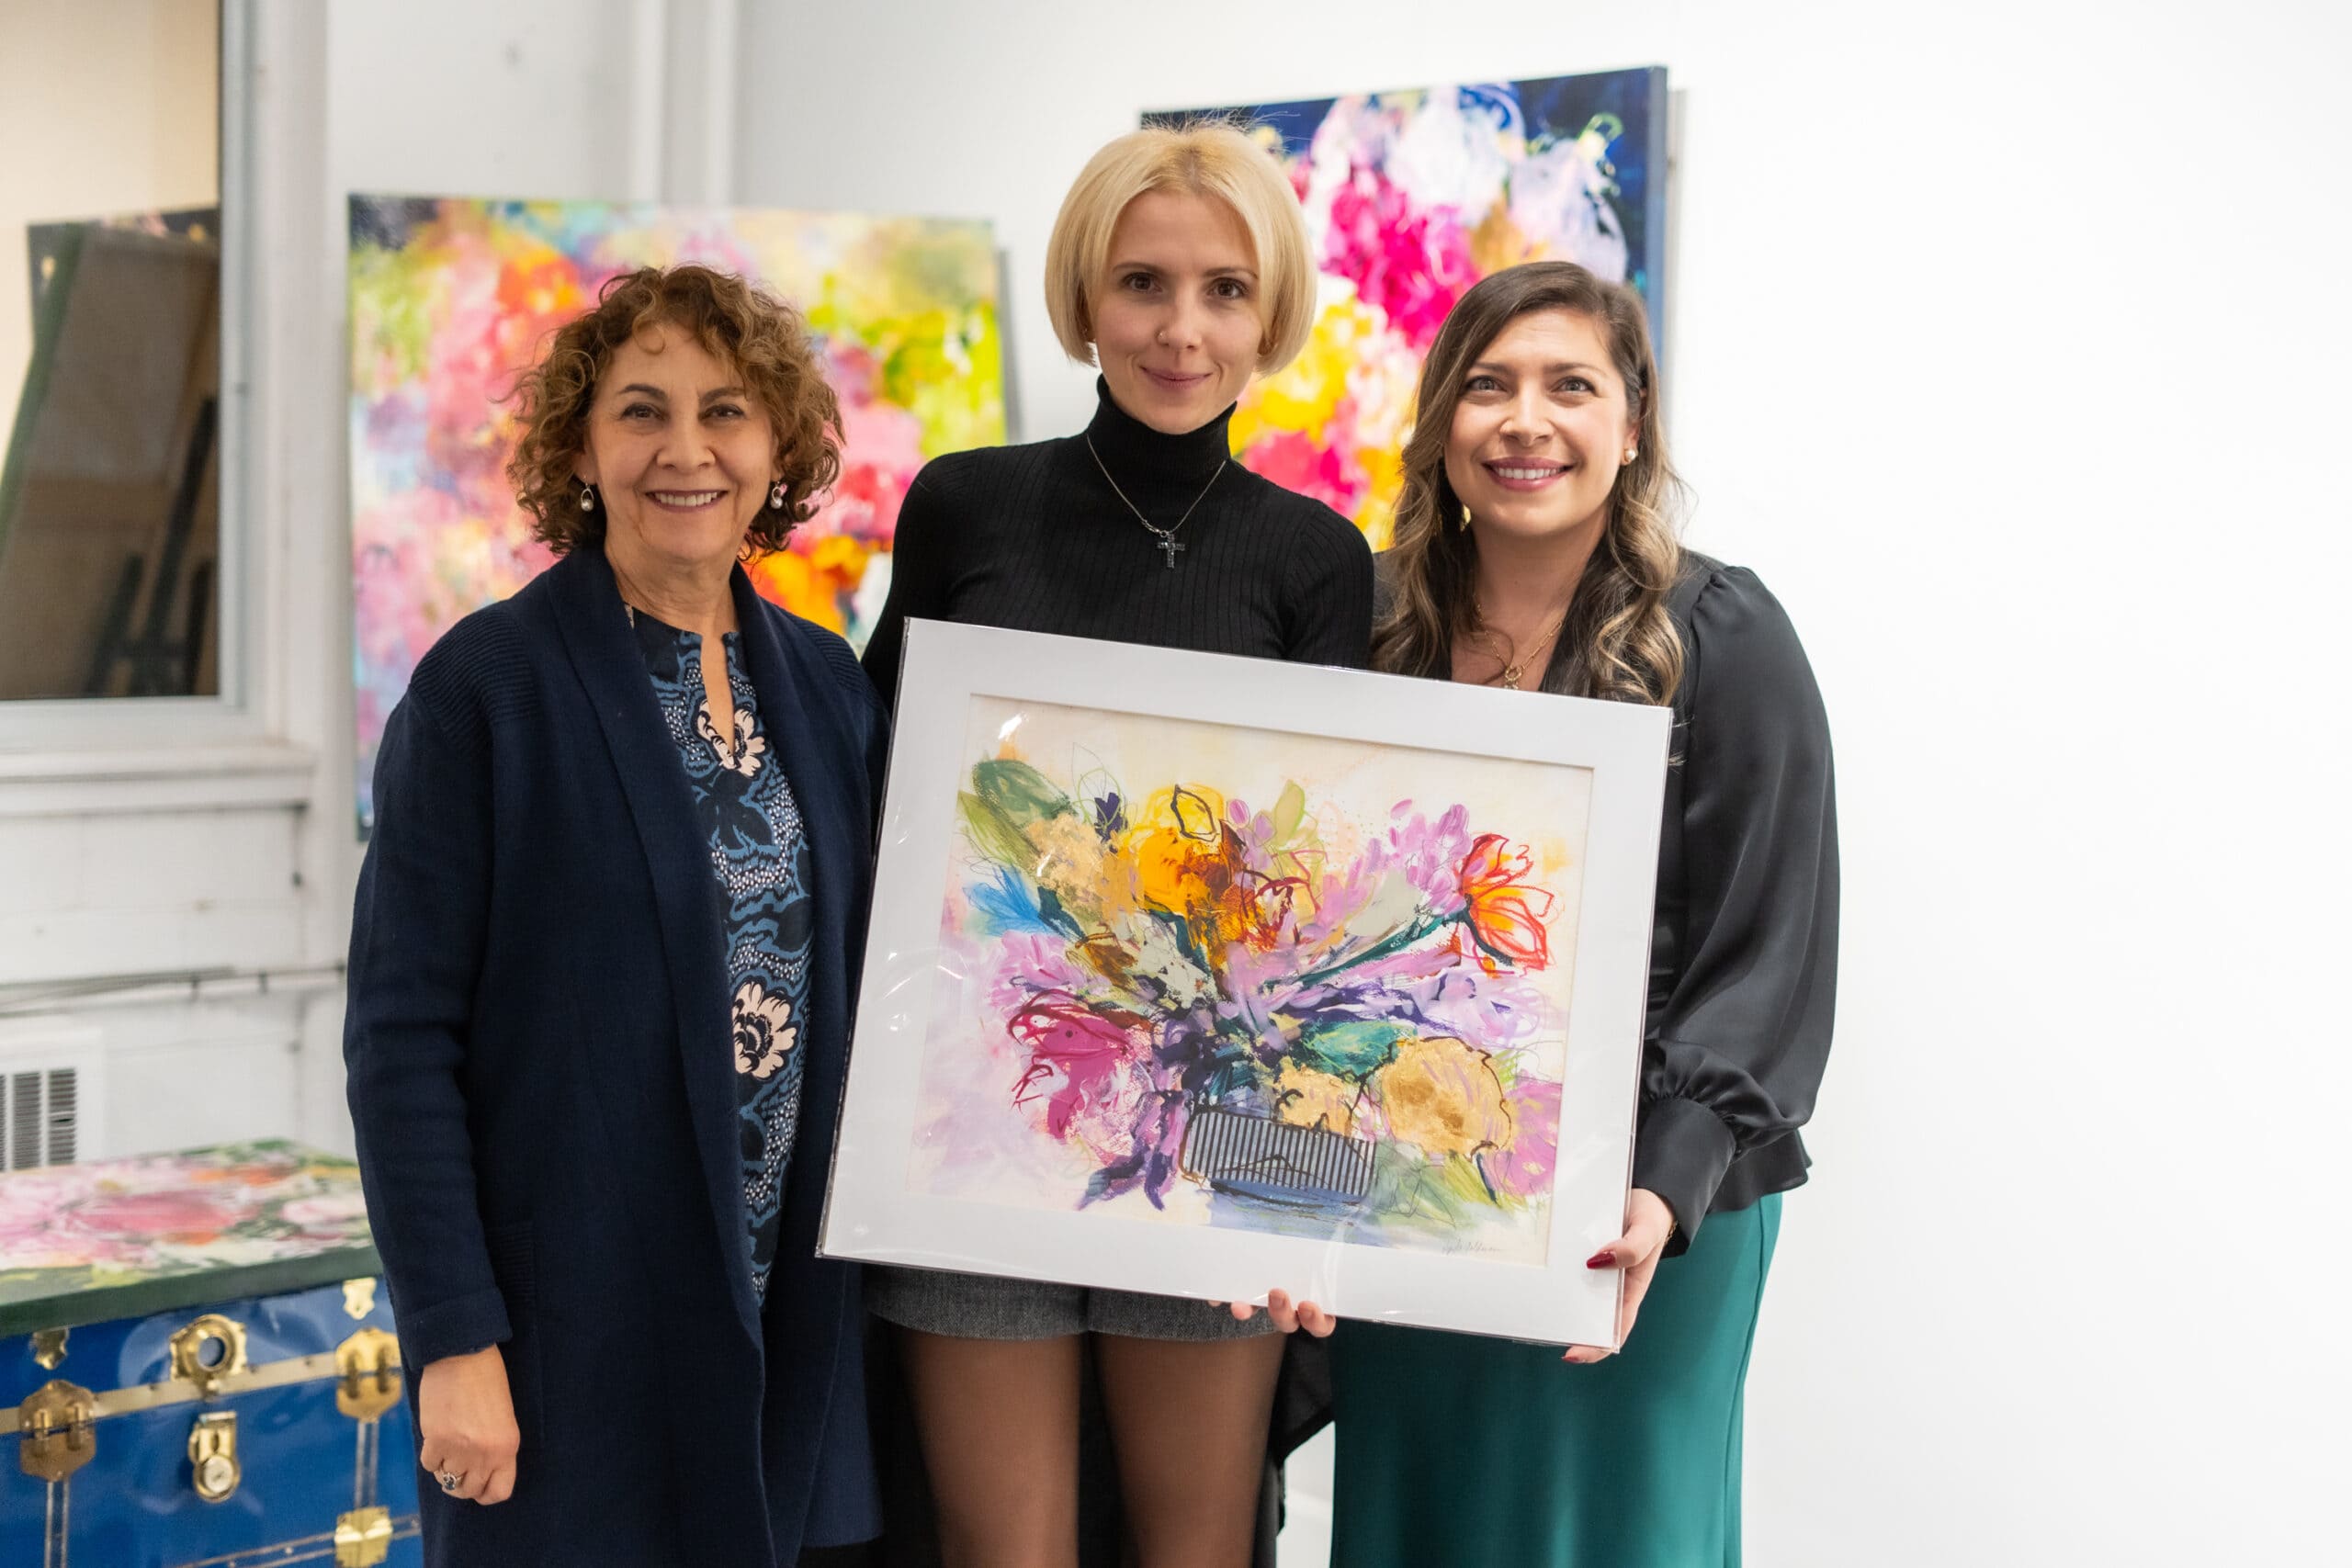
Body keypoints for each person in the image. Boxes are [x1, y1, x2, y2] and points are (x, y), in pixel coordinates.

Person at [860, 122, 1373, 1568]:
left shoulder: (1317, 558)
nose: (1180, 329)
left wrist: (1315, 1197)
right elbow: (880, 780)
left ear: (1269, 314)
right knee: (996, 1553)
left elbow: (1321, 912)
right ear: (1086, 297)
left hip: (1221, 1122)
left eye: (1224, 290)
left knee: (1196, 1549)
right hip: (972, 1111)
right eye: (1143, 282)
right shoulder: (966, 504)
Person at [345, 265, 888, 1568]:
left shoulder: (828, 686)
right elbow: (400, 1044)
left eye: (725, 411)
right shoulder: (486, 689)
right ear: (582, 449)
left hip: (793, 1327)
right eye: (642, 411)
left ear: (778, 448)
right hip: (567, 1335)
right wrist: (454, 1341)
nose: (685, 450)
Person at [1327, 260, 1838, 1565]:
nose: (1526, 422)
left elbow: (1767, 945)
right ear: (1441, 420)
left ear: (1632, 422)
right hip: (1410, 1182)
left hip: (1646, 1201)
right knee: (1421, 1523)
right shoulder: (1365, 624)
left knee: (1615, 1536)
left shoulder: (1723, 633)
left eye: (1570, 386)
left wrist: (1663, 1182)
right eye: (1488, 386)